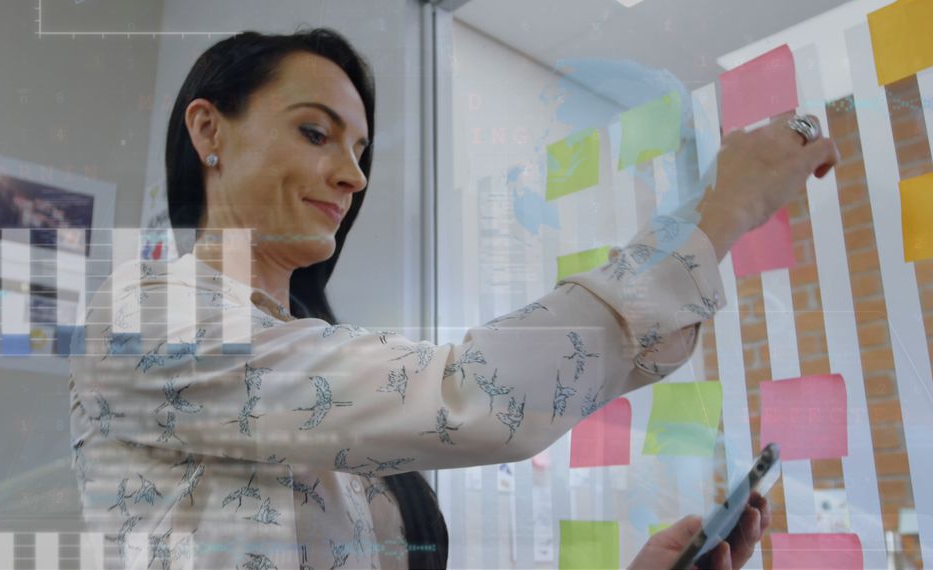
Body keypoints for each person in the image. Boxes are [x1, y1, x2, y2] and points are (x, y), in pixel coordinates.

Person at [69, 28, 837, 570]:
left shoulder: (309, 351)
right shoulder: (147, 322)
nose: (353, 175)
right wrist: (720, 213)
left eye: (360, 151)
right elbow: (475, 395)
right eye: (315, 133)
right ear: (209, 130)